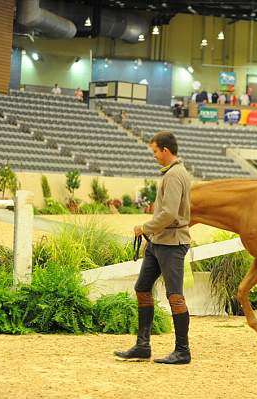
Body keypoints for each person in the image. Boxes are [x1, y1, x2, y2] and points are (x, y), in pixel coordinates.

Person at [114, 131, 192, 365]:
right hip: (158, 242)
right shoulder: (172, 173)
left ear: (166, 150)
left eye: (156, 151)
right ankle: (142, 345)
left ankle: (183, 351)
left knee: (175, 296)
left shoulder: (175, 175)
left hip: (171, 243)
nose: (155, 156)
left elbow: (169, 213)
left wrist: (144, 227)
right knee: (142, 287)